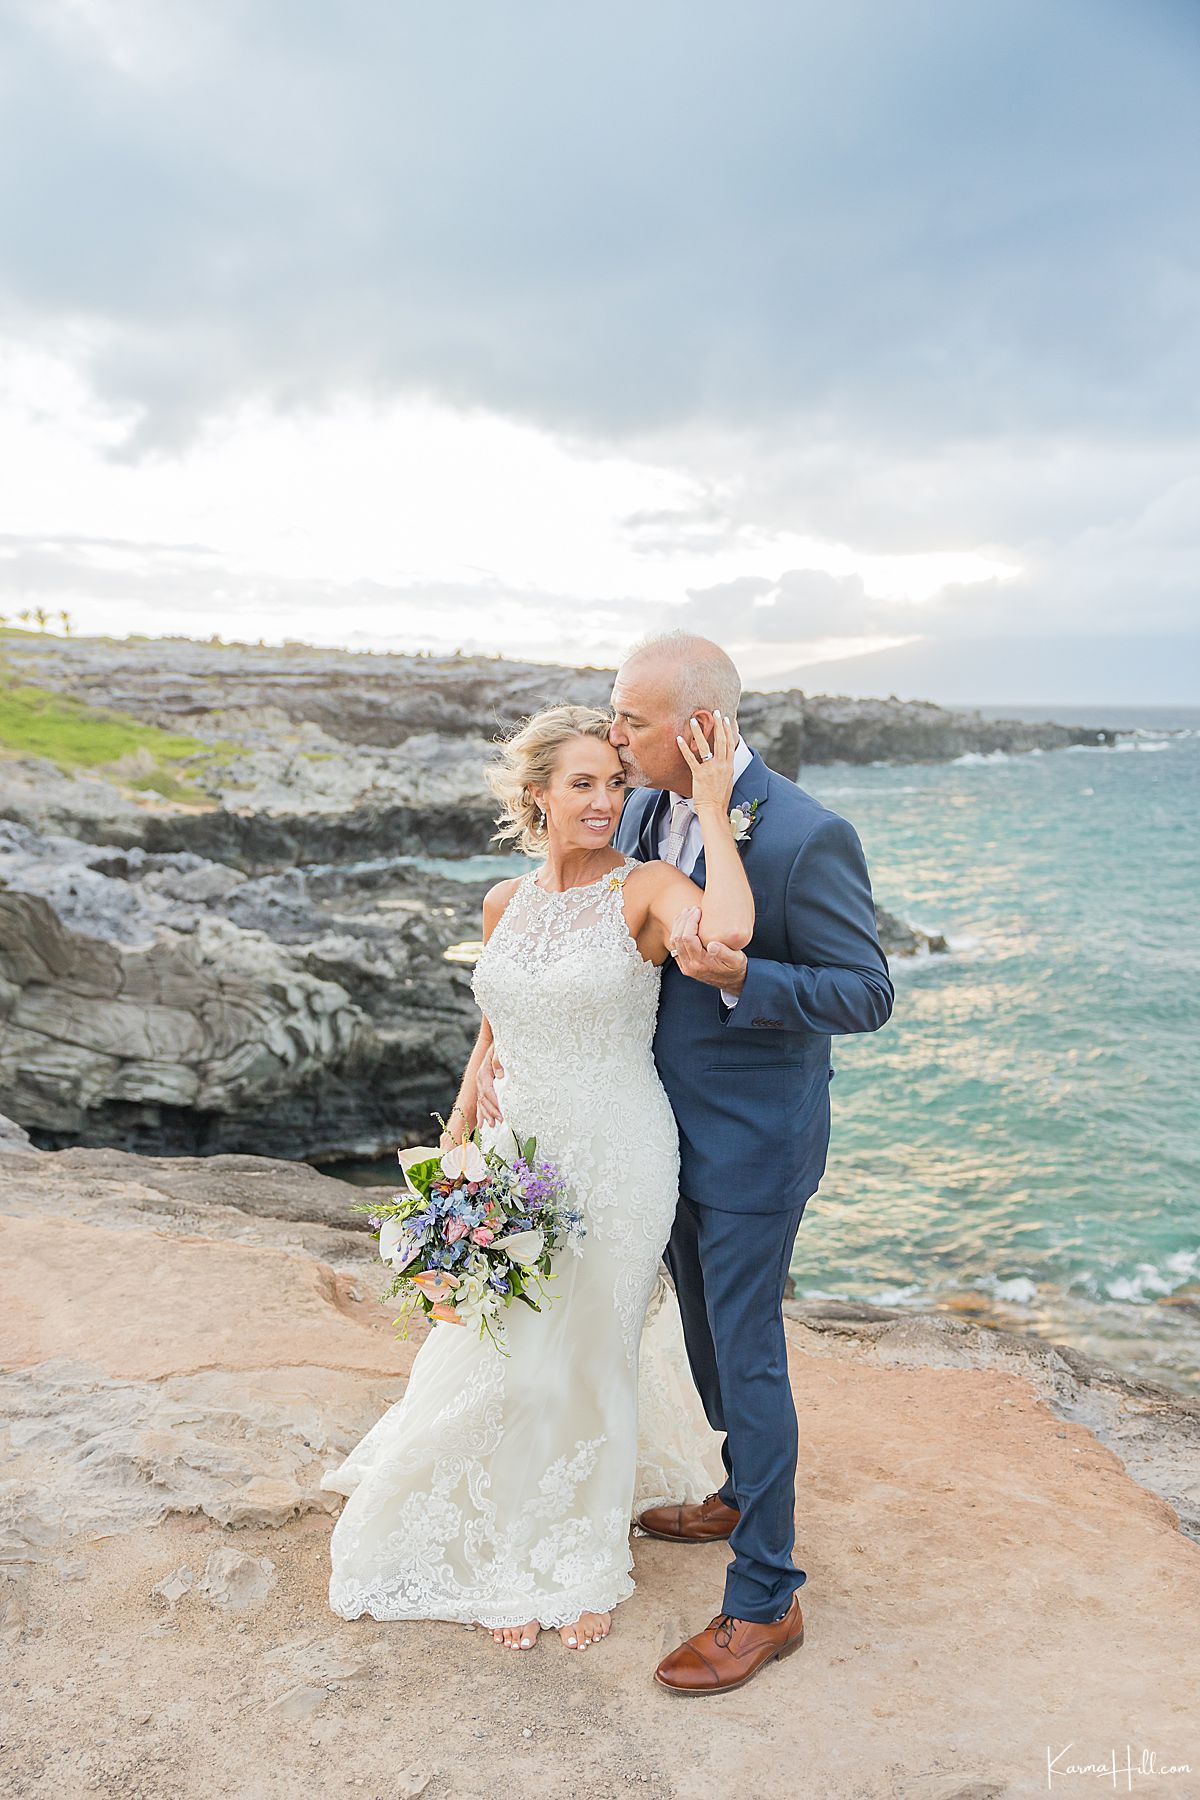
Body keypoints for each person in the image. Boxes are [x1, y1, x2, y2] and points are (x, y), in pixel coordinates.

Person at [479, 631, 895, 1694]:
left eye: (631, 722)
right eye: (611, 722)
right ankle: (741, 1489)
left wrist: (747, 979)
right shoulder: (648, 810)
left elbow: (865, 992)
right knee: (706, 1341)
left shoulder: (806, 834)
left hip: (754, 1149)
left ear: (698, 728)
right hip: (645, 1139)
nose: (615, 737)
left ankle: (766, 1597)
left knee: (749, 1355)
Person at [322, 702, 749, 1655]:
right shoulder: (502, 905)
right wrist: (466, 1121)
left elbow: (730, 929)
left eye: (616, 783)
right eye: (582, 783)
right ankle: (500, 1531)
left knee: (586, 1351)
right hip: (515, 1157)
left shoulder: (648, 888)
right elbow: (494, 1023)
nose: (604, 801)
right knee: (506, 1345)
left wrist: (712, 807)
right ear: (538, 795)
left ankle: (575, 1552)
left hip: (619, 1152)